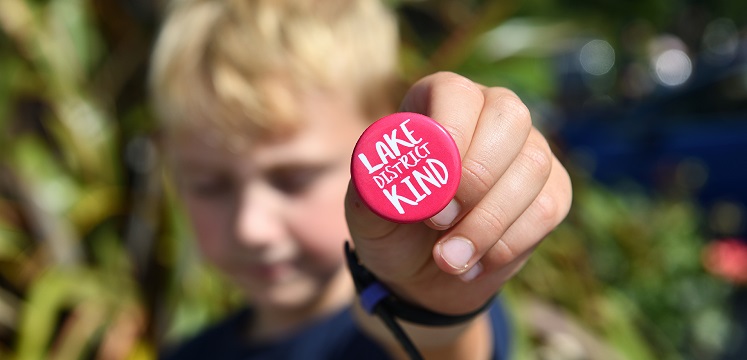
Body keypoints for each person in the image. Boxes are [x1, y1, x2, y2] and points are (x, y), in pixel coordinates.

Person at [149, 0, 572, 358]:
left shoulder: (406, 315)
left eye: (295, 178)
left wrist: (425, 307)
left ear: (382, 134)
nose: (251, 227)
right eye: (208, 184)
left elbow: (440, 341)